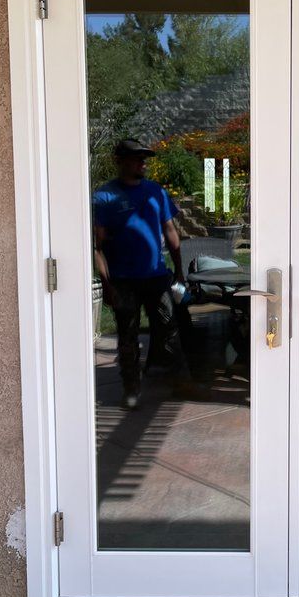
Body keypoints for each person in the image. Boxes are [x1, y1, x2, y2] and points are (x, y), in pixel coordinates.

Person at [93, 138, 190, 410]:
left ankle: (178, 380)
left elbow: (170, 231)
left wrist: (179, 270)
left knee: (169, 327)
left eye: (144, 158)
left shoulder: (155, 192)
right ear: (120, 161)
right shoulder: (104, 197)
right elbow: (97, 246)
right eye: (137, 158)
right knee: (127, 335)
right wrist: (107, 284)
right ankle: (131, 387)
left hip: (156, 277)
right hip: (123, 281)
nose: (143, 162)